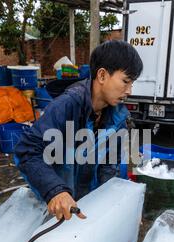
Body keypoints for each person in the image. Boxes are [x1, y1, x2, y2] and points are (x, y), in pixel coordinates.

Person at [14, 40, 143, 221]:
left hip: (86, 209)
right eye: (126, 81)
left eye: (132, 83)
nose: (129, 90)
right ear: (102, 75)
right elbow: (28, 151)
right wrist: (55, 191)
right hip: (56, 210)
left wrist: (117, 206)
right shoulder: (67, 106)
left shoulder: (118, 118)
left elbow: (110, 168)